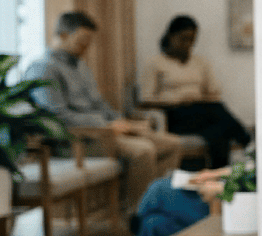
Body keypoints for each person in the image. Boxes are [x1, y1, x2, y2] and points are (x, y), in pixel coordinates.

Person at [24, 11, 183, 207]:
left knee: (172, 143)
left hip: (104, 133)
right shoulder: (43, 69)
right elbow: (57, 117)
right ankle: (139, 214)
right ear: (63, 35)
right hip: (76, 141)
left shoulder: (81, 66)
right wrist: (108, 125)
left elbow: (99, 104)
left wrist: (124, 122)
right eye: (82, 41)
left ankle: (161, 203)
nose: (86, 47)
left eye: (89, 42)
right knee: (143, 151)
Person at [142, 14, 252, 168]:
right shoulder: (155, 63)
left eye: (192, 40)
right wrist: (177, 101)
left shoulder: (201, 62)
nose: (187, 44)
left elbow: (213, 91)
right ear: (171, 36)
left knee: (218, 131)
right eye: (183, 38)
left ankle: (217, 176)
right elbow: (145, 99)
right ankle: (247, 141)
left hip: (202, 110)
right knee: (219, 117)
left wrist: (204, 97)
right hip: (175, 113)